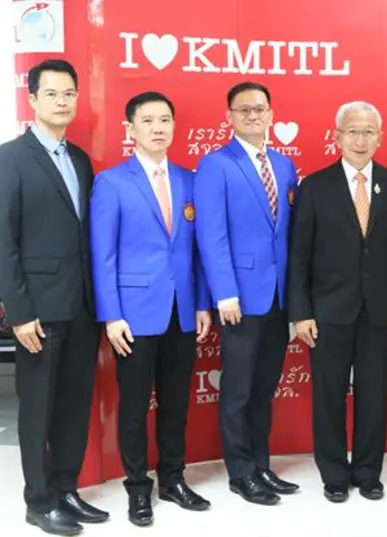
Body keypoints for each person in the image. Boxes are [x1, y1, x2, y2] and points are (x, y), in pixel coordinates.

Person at [288, 101, 387, 503]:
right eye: (352, 132)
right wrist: (301, 312)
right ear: (337, 137)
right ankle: (333, 473)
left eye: (368, 132)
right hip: (328, 311)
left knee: (374, 395)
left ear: (380, 138)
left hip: (380, 311)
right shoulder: (315, 186)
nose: (360, 140)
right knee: (328, 395)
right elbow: (299, 255)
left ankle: (368, 472)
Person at [90, 92, 213, 526]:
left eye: (164, 120)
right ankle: (138, 489)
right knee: (135, 406)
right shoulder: (112, 182)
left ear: (174, 126)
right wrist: (111, 315)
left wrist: (202, 303)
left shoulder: (189, 179)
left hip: (182, 311)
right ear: (131, 129)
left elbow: (198, 251)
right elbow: (102, 255)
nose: (158, 128)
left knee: (176, 403)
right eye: (148, 120)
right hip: (134, 315)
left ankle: (173, 480)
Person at [0, 59, 108, 535]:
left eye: (69, 93)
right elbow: (3, 241)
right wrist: (19, 312)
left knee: (73, 406)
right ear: (32, 99)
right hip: (38, 312)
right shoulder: (9, 158)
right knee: (38, 409)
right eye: (52, 94)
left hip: (81, 307)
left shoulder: (80, 159)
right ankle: (39, 501)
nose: (62, 102)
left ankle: (66, 488)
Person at [194, 82, 299, 505]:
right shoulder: (215, 165)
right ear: (230, 117)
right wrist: (224, 292)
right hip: (238, 297)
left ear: (271, 113)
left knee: (264, 388)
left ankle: (261, 464)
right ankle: (241, 472)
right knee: (238, 389)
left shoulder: (284, 165)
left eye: (260, 109)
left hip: (278, 297)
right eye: (244, 110)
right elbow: (211, 234)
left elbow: (287, 234)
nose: (253, 116)